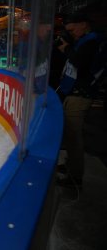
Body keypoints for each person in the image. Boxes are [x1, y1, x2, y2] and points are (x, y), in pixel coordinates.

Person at [55, 13, 101, 189]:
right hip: (73, 93)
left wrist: (67, 49)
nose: (72, 33)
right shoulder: (84, 41)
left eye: (73, 30)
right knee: (70, 134)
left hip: (80, 95)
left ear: (83, 24)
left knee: (74, 136)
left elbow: (79, 62)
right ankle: (71, 166)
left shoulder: (91, 42)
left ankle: (75, 177)